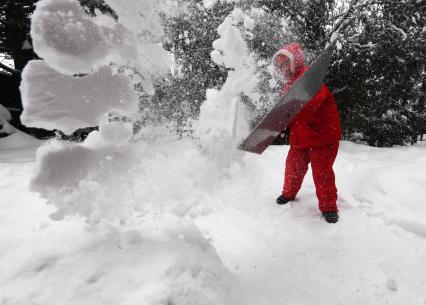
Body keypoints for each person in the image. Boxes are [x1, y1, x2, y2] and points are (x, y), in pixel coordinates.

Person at [273, 42, 342, 223]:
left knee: (322, 173)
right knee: (293, 167)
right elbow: (288, 113)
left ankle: (329, 207)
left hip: (322, 136)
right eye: (279, 66)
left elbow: (308, 106)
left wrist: (287, 112)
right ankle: (288, 193)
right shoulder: (288, 86)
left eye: (285, 64)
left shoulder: (310, 78)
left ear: (295, 61)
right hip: (301, 136)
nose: (282, 69)